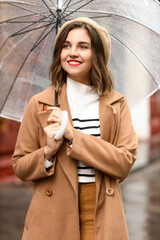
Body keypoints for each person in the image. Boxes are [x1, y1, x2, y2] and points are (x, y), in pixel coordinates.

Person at [12, 17, 138, 240]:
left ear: (97, 54)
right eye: (66, 45)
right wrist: (47, 153)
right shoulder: (40, 103)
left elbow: (124, 164)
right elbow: (20, 166)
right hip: (53, 214)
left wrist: (73, 137)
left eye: (83, 46)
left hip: (101, 212)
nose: (72, 53)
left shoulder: (117, 104)